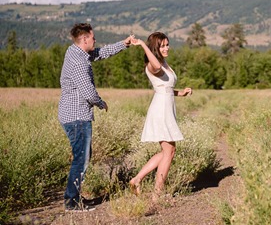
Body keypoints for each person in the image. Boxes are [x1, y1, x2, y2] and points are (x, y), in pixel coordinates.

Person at [58, 23, 133, 212]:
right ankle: (72, 202)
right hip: (77, 116)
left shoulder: (76, 52)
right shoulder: (79, 61)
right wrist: (101, 103)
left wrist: (124, 44)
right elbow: (88, 92)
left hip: (74, 115)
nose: (95, 40)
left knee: (82, 157)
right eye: (93, 37)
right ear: (84, 39)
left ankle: (74, 198)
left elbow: (102, 52)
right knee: (81, 159)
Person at [129, 32, 192, 202]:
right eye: (162, 45)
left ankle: (136, 180)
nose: (166, 48)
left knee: (167, 151)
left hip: (166, 108)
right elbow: (156, 68)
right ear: (154, 48)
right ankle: (157, 194)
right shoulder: (152, 65)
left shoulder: (165, 63)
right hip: (160, 110)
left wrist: (182, 93)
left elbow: (167, 88)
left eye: (167, 44)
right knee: (169, 151)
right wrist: (142, 45)